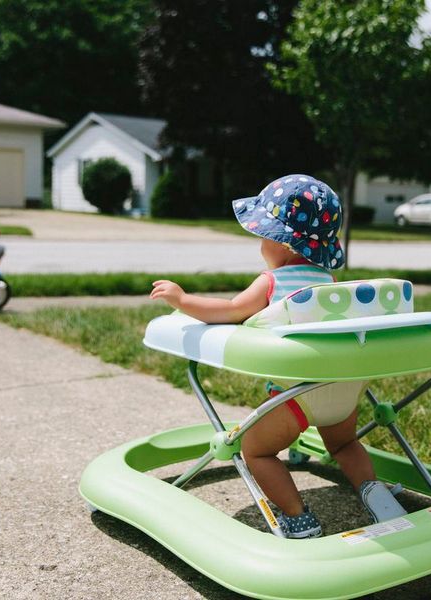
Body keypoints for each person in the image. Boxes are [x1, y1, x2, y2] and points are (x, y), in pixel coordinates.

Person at [150, 174, 406, 538]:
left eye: (263, 236)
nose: (259, 245)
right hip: (344, 390)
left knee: (255, 451)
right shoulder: (330, 285)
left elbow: (229, 310)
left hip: (296, 395)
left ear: (283, 243)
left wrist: (182, 299)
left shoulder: (272, 282)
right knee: (345, 444)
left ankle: (298, 516)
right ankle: (375, 493)